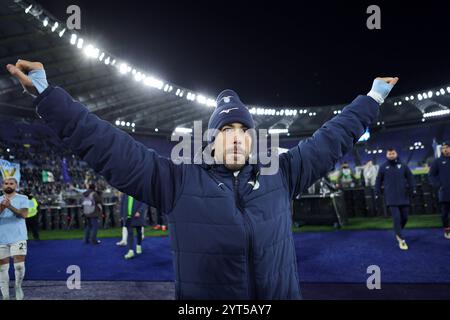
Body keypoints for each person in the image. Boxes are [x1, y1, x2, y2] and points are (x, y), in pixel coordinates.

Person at [6, 59, 397, 299]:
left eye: (245, 129)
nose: (237, 136)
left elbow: (332, 137)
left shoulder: (284, 173)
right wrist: (48, 95)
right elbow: (109, 146)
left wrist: (373, 98)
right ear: (211, 140)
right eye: (227, 129)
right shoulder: (176, 182)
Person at [375, 148, 416, 250]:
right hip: (391, 197)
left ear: (396, 153)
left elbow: (410, 178)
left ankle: (398, 231)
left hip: (404, 196)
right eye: (389, 153)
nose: (391, 155)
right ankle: (401, 240)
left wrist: (413, 189)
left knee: (405, 217)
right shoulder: (383, 167)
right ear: (387, 155)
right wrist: (377, 191)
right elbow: (378, 181)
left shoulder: (403, 165)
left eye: (393, 153)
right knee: (396, 218)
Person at [0, 178, 30, 300]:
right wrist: (2, 206)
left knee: (19, 266)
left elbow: (24, 215)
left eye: (11, 183)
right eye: (6, 183)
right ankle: (5, 295)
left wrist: (10, 206)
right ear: (2, 186)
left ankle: (18, 287)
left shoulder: (23, 198)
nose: (8, 185)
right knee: (2, 269)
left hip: (19, 237)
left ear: (16, 185)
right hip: (1, 238)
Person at [428, 141, 450, 239]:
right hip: (444, 192)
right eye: (443, 148)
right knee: (445, 213)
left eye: (447, 147)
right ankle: (447, 230)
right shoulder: (437, 161)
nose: (445, 149)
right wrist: (439, 185)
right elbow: (431, 175)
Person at [120, 194, 148, 259]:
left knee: (139, 232)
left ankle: (138, 245)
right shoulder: (125, 193)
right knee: (130, 233)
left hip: (137, 217)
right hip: (128, 217)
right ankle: (130, 251)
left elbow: (144, 203)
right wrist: (121, 215)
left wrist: (139, 211)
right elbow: (122, 204)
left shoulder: (139, 191)